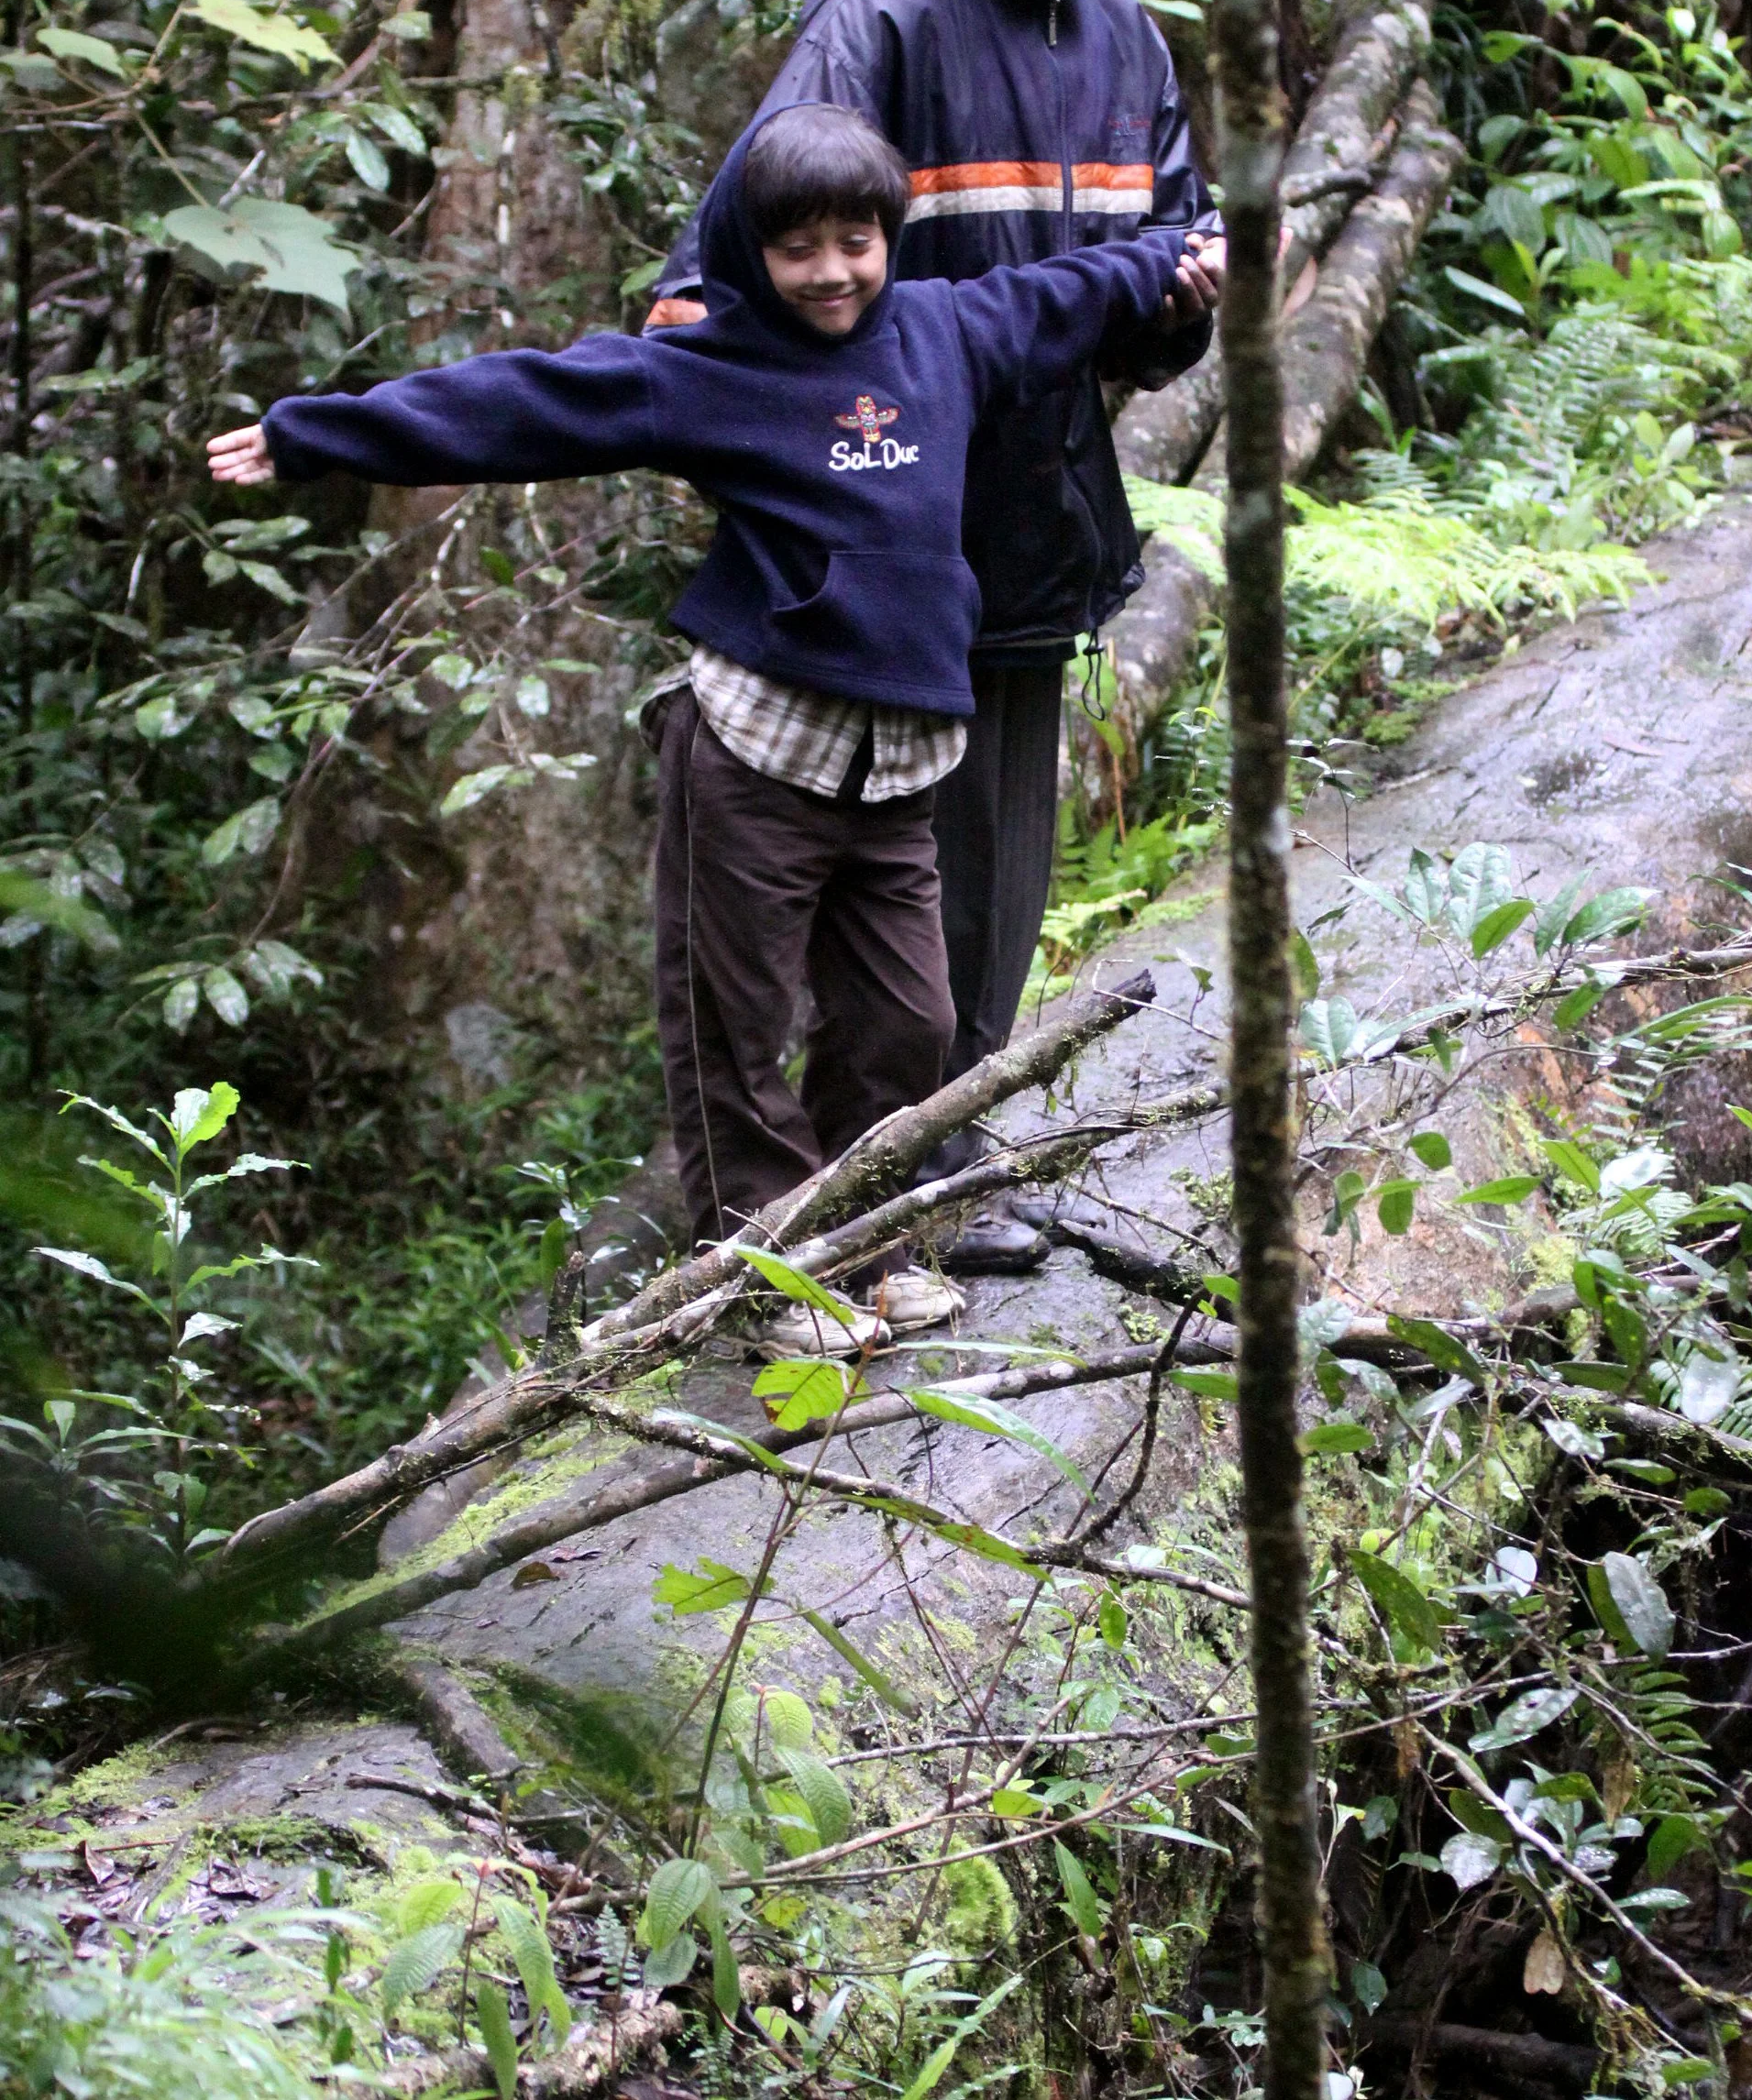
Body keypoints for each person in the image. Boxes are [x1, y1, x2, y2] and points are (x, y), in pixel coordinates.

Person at [210, 104, 1221, 1345]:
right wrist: (313, 434)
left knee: (908, 1019)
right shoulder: (710, 369)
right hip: (756, 759)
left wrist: (1175, 261)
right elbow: (524, 403)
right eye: (800, 247)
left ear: (889, 235)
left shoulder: (949, 330)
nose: (835, 270)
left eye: (858, 239)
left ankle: (865, 1242)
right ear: (754, 251)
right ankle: (764, 1281)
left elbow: (1073, 289)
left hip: (897, 766)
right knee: (733, 1032)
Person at [643, 0, 1217, 1188]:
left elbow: (1157, 292)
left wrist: (1181, 298)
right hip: (883, 538)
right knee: (853, 886)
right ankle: (847, 1188)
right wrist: (793, 487)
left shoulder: (1127, 40)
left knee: (993, 881)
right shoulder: (881, 16)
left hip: (1031, 531)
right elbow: (724, 273)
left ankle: (931, 1167)